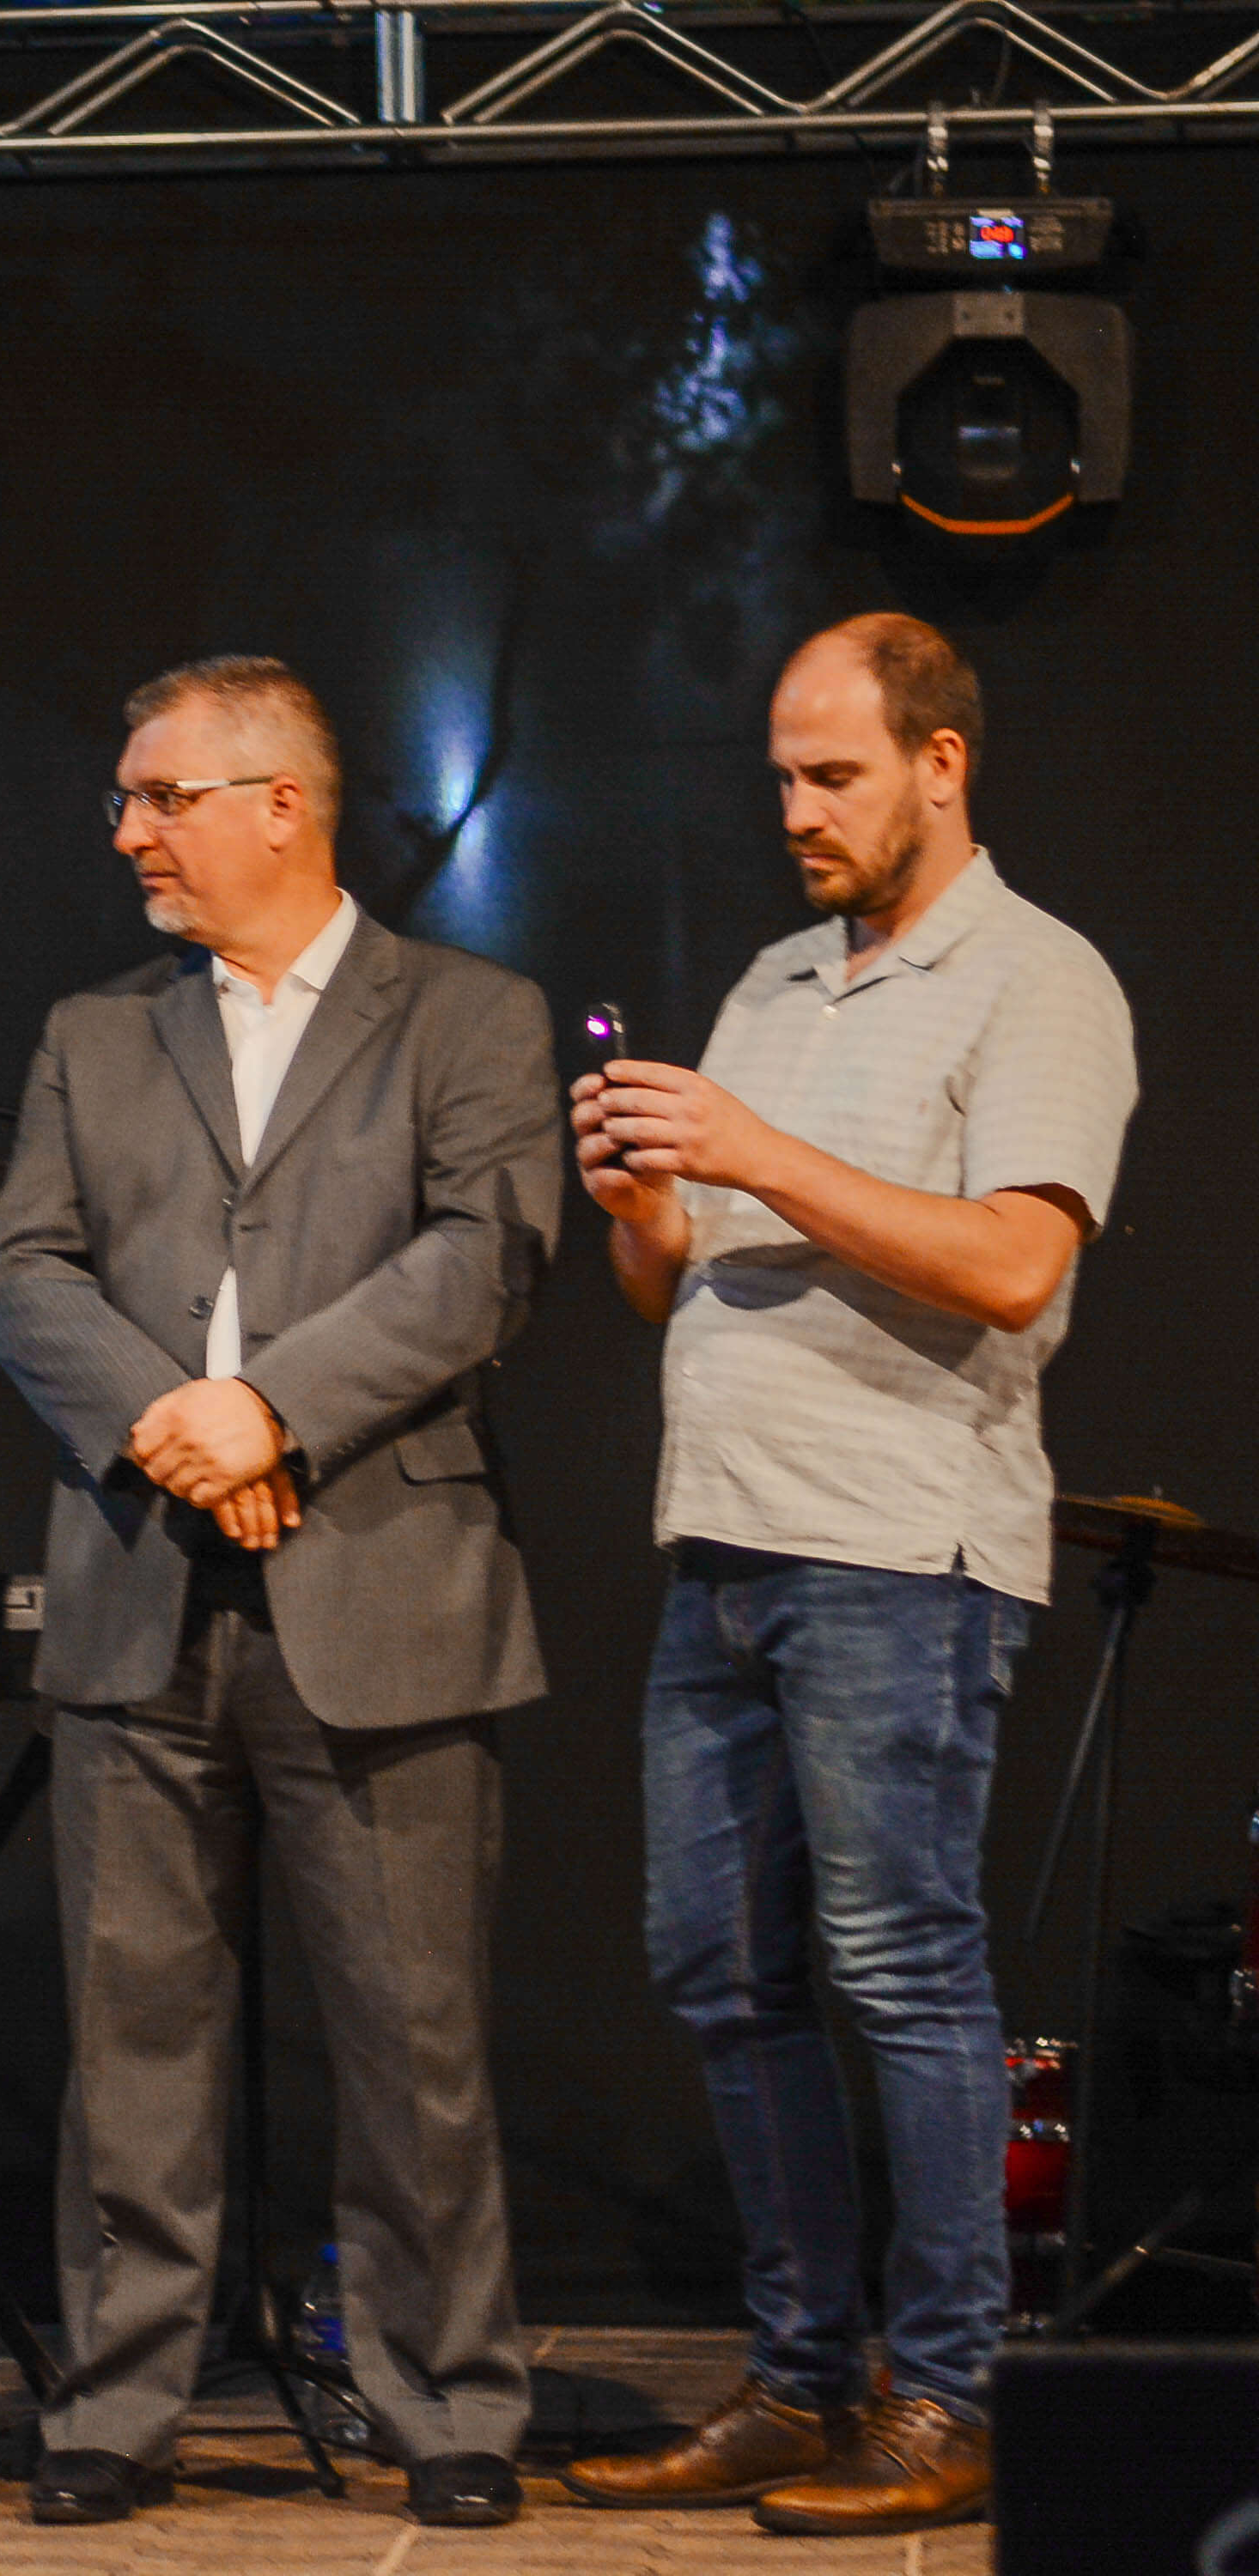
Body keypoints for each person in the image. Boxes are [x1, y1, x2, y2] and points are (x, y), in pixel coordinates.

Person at [560, 617, 1134, 2539]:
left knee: (900, 1968)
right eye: (782, 779)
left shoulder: (1039, 978)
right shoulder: (773, 980)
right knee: (718, 1971)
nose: (796, 810)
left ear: (940, 765)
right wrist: (649, 1204)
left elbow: (1013, 1267)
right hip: (722, 1541)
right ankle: (801, 2383)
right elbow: (675, 1285)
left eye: (834, 775)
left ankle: (947, 2394)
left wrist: (756, 1147)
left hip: (901, 1554)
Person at [0, 657, 559, 2532]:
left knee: (413, 2041)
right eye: (128, 799)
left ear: (281, 804)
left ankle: (446, 2405)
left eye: (163, 797)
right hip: (141, 1589)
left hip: (382, 1587)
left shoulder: (466, 1015)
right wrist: (173, 1425)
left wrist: (273, 1406)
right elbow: (20, 1272)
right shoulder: (95, 1033)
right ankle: (117, 2399)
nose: (128, 832)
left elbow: (487, 1254)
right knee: (128, 2040)